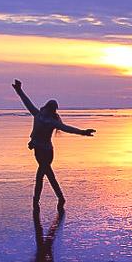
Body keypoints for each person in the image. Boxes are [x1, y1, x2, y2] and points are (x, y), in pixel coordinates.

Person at [12, 79, 95, 210]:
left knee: (41, 175)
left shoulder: (52, 122)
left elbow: (67, 128)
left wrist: (83, 132)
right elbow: (27, 103)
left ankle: (38, 201)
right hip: (38, 151)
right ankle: (59, 198)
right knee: (48, 174)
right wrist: (19, 90)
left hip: (47, 152)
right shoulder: (37, 115)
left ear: (51, 110)